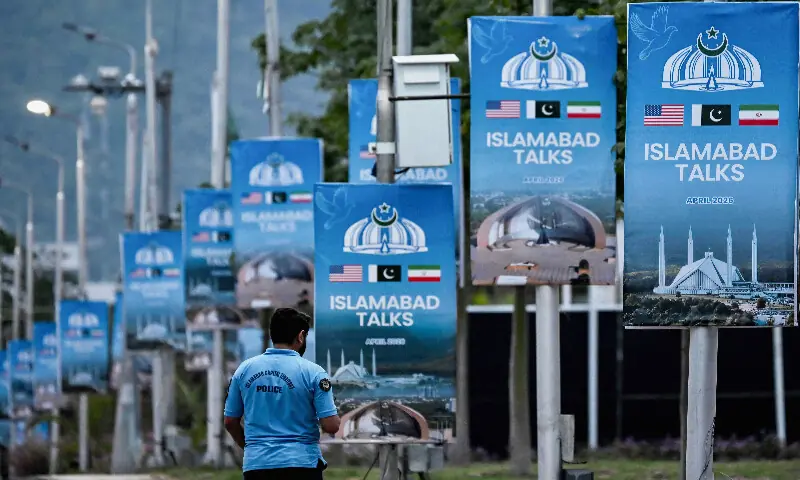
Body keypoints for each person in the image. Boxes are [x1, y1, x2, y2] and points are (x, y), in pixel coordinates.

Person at [224, 307, 340, 479]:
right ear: (300, 336)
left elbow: (229, 421)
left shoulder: (244, 370)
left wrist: (251, 448)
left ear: (273, 335)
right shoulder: (314, 373)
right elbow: (331, 426)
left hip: (257, 465)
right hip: (302, 465)